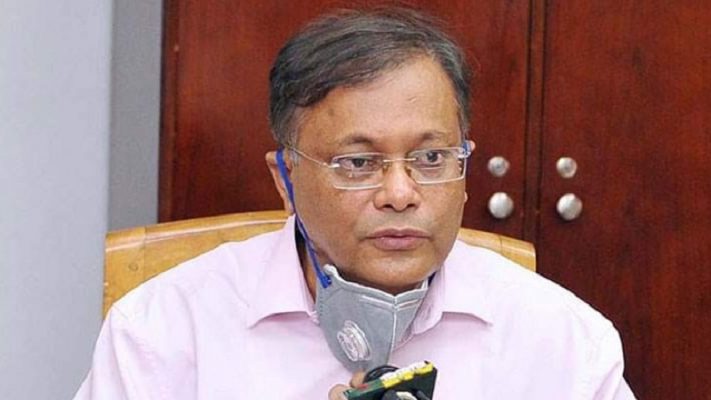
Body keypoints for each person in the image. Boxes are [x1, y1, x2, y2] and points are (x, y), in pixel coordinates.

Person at [74, 7, 636, 399]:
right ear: (285, 179)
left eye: (431, 158)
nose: (400, 194)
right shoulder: (164, 331)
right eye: (358, 163)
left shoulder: (564, 341)